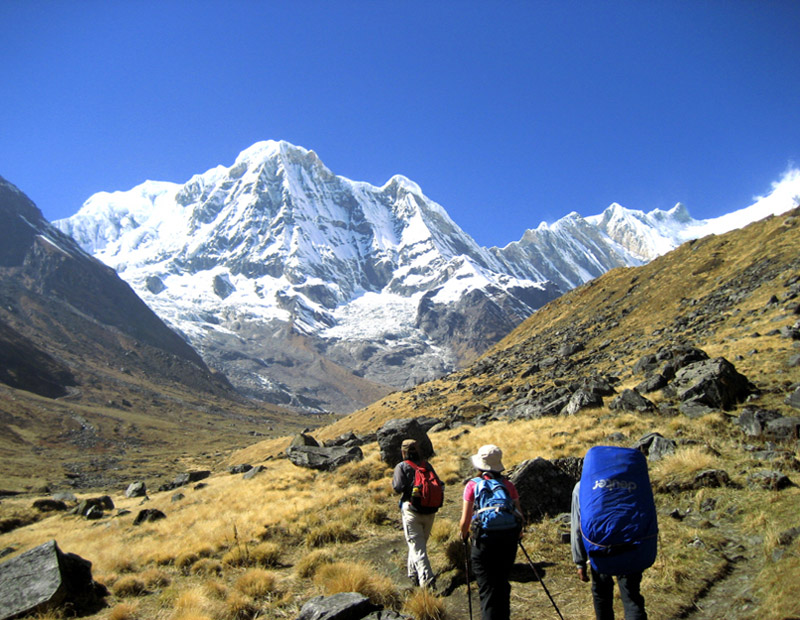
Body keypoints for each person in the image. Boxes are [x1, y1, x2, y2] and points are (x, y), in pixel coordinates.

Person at [459, 444, 523, 620]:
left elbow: (465, 521)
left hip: (484, 542)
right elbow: (520, 516)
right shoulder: (508, 485)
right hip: (508, 541)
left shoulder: (473, 485)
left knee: (487, 589)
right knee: (502, 585)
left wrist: (464, 536)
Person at [571, 481, 648, 620]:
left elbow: (578, 527)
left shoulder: (582, 486)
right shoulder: (630, 480)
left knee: (601, 594)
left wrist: (579, 561)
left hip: (599, 550)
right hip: (630, 546)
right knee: (631, 597)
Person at [392, 438, 441, 589]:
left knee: (417, 547)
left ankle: (427, 581)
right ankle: (412, 574)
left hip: (411, 510)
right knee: (417, 545)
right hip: (430, 510)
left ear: (403, 451)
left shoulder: (402, 466)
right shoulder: (427, 465)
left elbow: (398, 488)